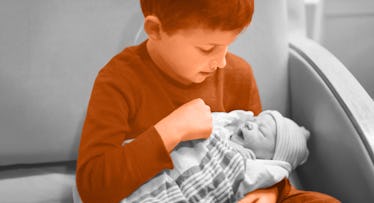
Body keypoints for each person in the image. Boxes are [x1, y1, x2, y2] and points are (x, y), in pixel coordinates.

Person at [76, 0, 340, 202]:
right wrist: (172, 130)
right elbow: (92, 186)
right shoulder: (119, 80)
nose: (222, 62)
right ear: (155, 30)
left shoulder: (238, 74)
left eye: (228, 45)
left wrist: (269, 190)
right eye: (207, 48)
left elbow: (263, 158)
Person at [120, 110, 310, 203]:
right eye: (254, 120)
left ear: (271, 157)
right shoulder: (222, 131)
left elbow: (275, 173)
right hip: (162, 167)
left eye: (261, 131)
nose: (251, 125)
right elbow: (207, 121)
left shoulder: (252, 166)